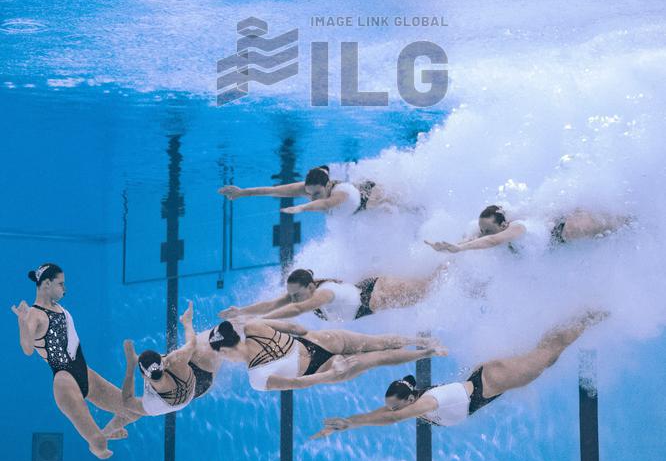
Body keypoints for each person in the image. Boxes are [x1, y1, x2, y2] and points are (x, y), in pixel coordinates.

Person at [312, 311, 607, 438]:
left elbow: (390, 417)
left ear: (409, 399)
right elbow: (388, 411)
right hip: (484, 381)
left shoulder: (427, 403)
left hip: (492, 381)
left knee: (547, 355)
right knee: (547, 356)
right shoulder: (414, 402)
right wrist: (355, 419)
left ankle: (588, 315)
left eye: (396, 406)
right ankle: (575, 317)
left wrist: (349, 423)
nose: (393, 411)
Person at [11, 263, 140, 459]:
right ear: (46, 284)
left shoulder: (59, 308)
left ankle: (106, 431)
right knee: (99, 446)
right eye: (61, 284)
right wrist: (22, 322)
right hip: (65, 382)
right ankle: (99, 439)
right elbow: (28, 349)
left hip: (86, 374)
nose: (65, 289)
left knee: (134, 410)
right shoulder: (35, 315)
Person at [208, 316, 447, 391]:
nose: (226, 360)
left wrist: (332, 373)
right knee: (378, 342)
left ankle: (428, 352)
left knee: (379, 358)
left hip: (324, 369)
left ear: (227, 349)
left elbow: (298, 383)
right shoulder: (253, 326)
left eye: (223, 356)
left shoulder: (257, 378)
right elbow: (296, 329)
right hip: (319, 340)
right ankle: (422, 340)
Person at [219, 265, 447, 324]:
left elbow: (297, 309)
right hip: (366, 293)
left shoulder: (322, 294)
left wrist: (254, 320)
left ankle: (453, 264)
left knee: (429, 289)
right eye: (292, 295)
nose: (293, 299)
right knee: (427, 290)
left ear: (310, 287)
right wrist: (241, 311)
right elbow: (271, 304)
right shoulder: (304, 293)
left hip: (377, 294)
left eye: (297, 295)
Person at [118, 301, 219, 419]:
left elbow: (127, 401)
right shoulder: (176, 362)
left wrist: (131, 366)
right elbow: (191, 344)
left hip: (201, 389)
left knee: (126, 418)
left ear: (144, 376)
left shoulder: (152, 405)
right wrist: (187, 322)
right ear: (162, 362)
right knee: (216, 336)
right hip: (202, 370)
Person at [425, 204, 629, 255]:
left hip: (559, 232)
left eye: (487, 230)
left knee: (583, 228)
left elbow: (493, 241)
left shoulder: (515, 229)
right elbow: (477, 238)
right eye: (482, 230)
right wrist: (448, 246)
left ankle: (630, 219)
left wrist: (461, 250)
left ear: (503, 225)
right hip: (550, 245)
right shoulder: (490, 230)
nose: (483, 234)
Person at [218, 164, 391, 217]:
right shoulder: (306, 189)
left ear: (327, 186)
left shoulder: (341, 192)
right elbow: (273, 190)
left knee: (394, 205)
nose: (311, 197)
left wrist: (301, 208)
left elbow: (326, 203)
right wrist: (242, 192)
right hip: (353, 206)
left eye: (316, 193)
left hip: (370, 195)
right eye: (309, 193)